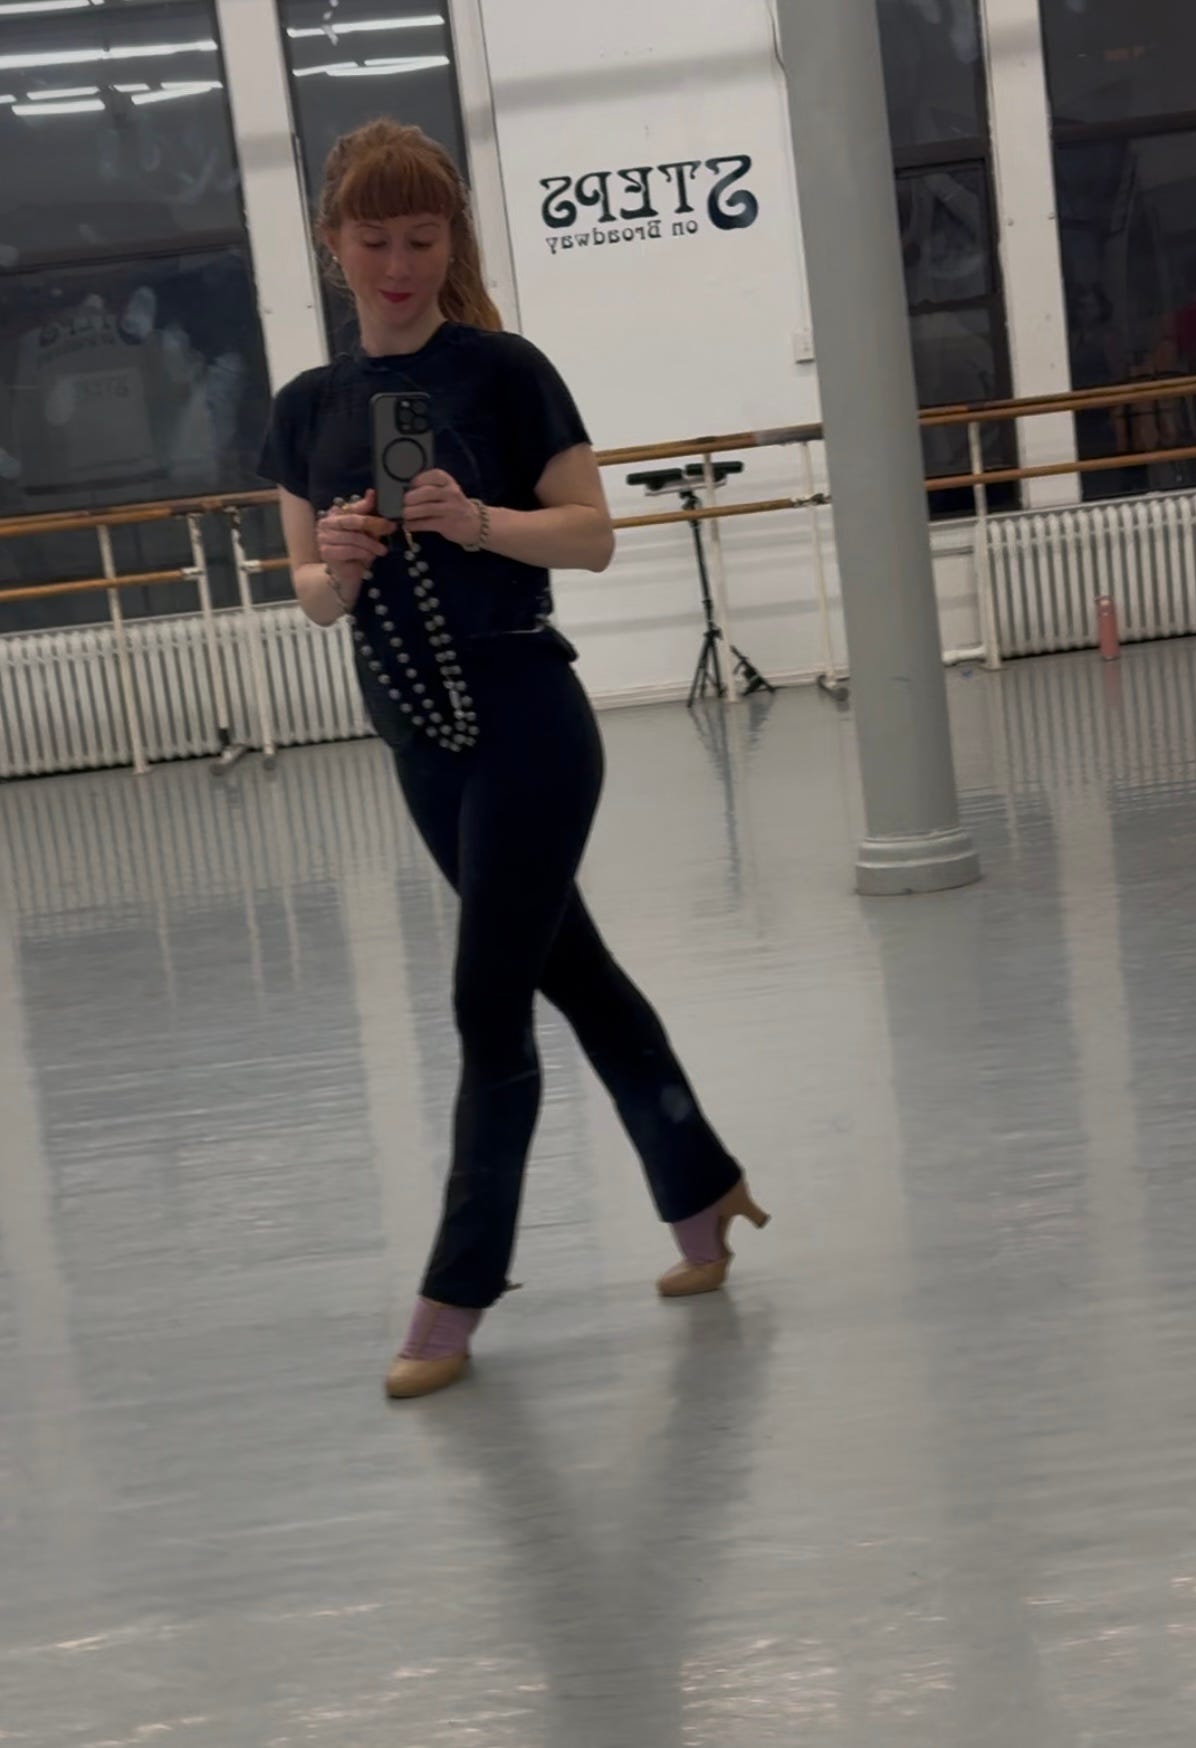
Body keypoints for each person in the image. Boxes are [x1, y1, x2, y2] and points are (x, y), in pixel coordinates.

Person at [259, 121, 767, 1400]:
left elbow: (592, 536)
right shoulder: (305, 408)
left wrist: (479, 519)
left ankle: (455, 1292)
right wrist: (340, 562)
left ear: (452, 243)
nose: (399, 266)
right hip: (415, 736)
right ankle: (703, 1188)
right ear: (332, 244)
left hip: (530, 720)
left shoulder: (506, 370)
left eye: (422, 240)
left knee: (488, 1002)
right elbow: (308, 595)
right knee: (574, 974)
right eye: (375, 240)